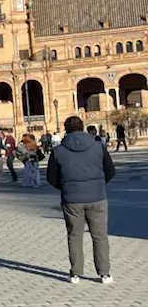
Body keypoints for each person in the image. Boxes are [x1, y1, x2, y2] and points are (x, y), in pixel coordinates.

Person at [47, 115, 116, 284]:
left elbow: (51, 177)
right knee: (100, 236)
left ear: (66, 130)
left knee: (74, 235)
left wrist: (66, 187)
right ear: (83, 127)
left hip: (72, 199)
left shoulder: (58, 151)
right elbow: (110, 170)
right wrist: (99, 185)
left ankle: (75, 273)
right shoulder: (98, 146)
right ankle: (104, 273)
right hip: (97, 196)